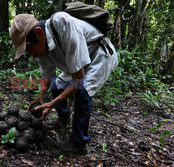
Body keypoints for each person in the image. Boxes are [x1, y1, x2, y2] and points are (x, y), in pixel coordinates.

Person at [10, 12, 118, 154]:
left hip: (98, 56)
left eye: (29, 48)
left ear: (39, 33)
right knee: (56, 85)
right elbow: (47, 77)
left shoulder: (63, 24)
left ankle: (79, 144)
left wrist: (52, 103)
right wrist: (41, 96)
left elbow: (78, 81)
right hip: (75, 64)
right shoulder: (40, 48)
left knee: (83, 92)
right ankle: (63, 119)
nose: (32, 55)